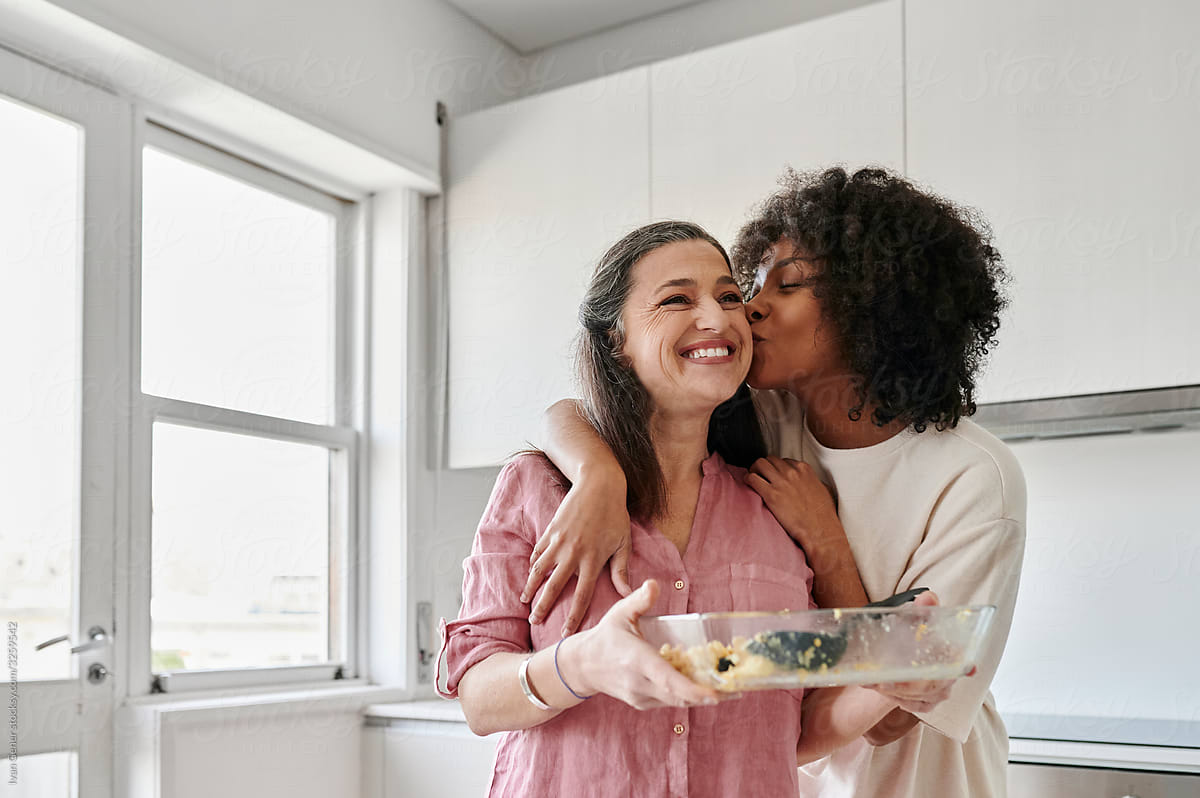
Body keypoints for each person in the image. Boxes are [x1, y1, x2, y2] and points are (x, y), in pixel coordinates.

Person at [526, 167, 1027, 798]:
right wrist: (596, 474)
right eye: (751, 286)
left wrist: (826, 543)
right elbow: (569, 409)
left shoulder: (975, 478)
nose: (751, 306)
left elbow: (896, 714)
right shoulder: (759, 417)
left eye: (787, 286)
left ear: (873, 308)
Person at [436, 220, 952, 798]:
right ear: (615, 340)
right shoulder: (540, 487)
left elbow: (790, 729)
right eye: (677, 299)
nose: (718, 316)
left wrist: (892, 680)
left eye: (730, 296)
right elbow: (480, 698)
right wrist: (581, 664)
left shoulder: (775, 505)